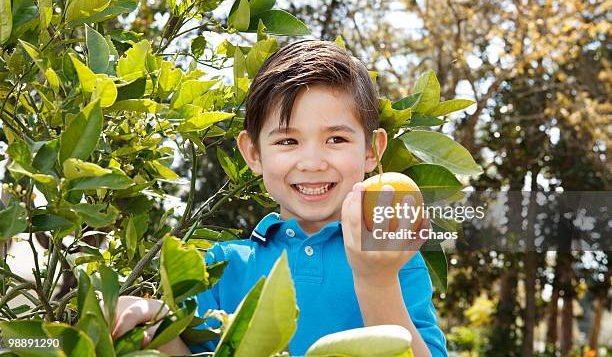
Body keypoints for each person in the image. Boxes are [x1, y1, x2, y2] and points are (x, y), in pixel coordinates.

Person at [112, 40, 447, 356]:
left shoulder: (394, 261)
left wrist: (377, 280)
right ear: (253, 153)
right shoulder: (222, 265)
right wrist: (156, 324)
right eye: (288, 141)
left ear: (372, 151)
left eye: (336, 139)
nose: (313, 163)